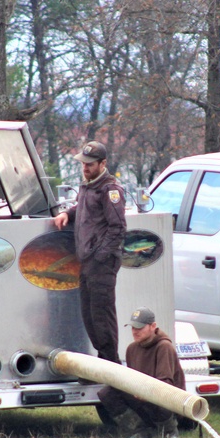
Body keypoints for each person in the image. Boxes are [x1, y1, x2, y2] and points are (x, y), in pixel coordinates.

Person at [53, 141, 126, 364]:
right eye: (83, 164)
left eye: (90, 164)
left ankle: (110, 366)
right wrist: (68, 213)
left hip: (100, 263)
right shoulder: (89, 185)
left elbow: (118, 228)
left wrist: (100, 256)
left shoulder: (110, 189)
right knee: (89, 316)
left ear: (103, 164)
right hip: (87, 260)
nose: (85, 168)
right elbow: (85, 209)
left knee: (102, 317)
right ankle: (103, 363)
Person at [98, 307, 185, 438]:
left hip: (165, 401)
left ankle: (169, 433)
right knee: (107, 392)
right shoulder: (131, 349)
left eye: (139, 328)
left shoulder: (164, 347)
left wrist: (146, 392)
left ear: (153, 326)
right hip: (141, 398)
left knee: (163, 394)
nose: (135, 331)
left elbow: (166, 384)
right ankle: (138, 433)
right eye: (132, 328)